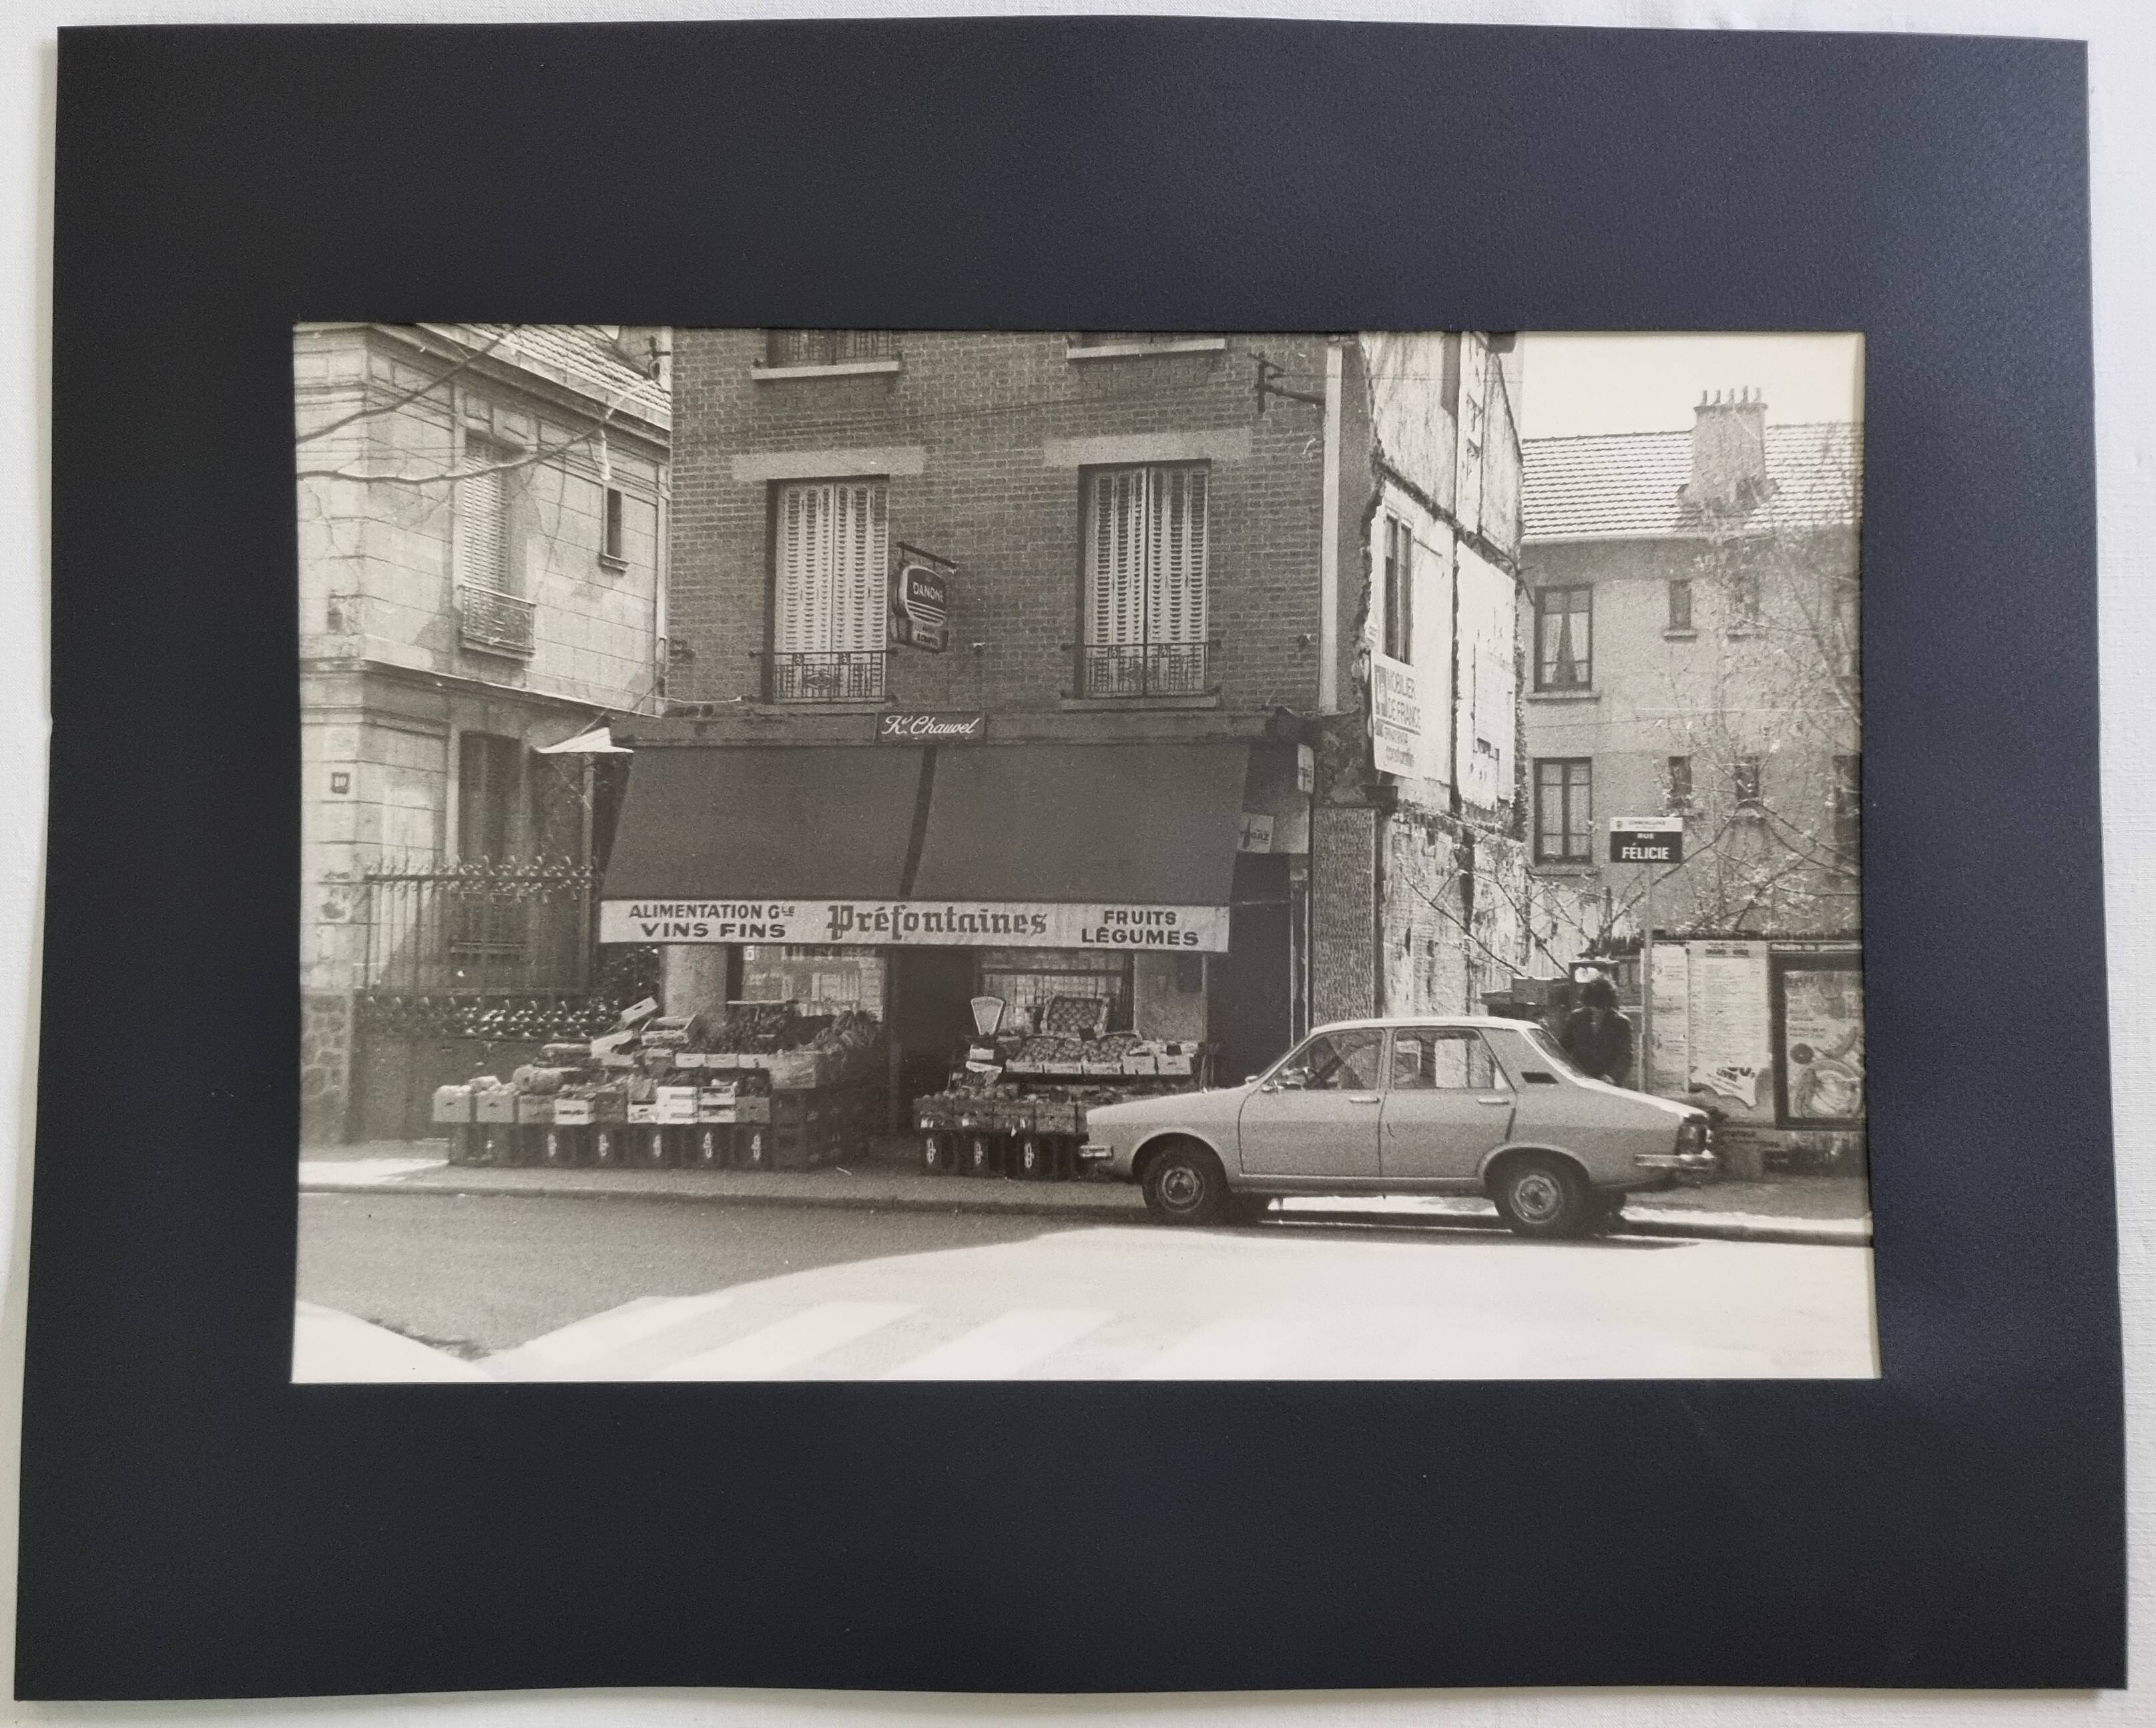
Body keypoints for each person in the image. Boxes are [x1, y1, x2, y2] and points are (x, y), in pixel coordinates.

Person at [1561, 976, 1636, 1087]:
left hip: (1607, 1082)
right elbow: (1564, 1048)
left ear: (1609, 1005)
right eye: (1593, 1007)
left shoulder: (1621, 1023)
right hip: (1580, 1079)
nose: (1596, 1011)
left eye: (1601, 1008)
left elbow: (1625, 1056)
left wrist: (1613, 1077)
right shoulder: (1576, 1018)